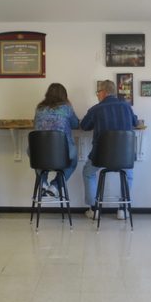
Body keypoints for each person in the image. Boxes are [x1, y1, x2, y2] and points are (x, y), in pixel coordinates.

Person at [80, 80, 138, 220]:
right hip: (124, 157)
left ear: (104, 92)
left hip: (101, 156)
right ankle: (123, 209)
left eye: (98, 92)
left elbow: (84, 126)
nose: (97, 95)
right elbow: (135, 122)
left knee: (88, 173)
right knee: (128, 175)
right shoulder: (126, 107)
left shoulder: (96, 109)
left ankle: (94, 209)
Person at [33, 83, 79, 195]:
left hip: (40, 154)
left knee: (37, 160)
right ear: (64, 95)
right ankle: (55, 186)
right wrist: (70, 105)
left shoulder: (39, 108)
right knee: (73, 162)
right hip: (61, 154)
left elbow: (35, 123)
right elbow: (76, 124)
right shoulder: (66, 108)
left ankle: (43, 182)